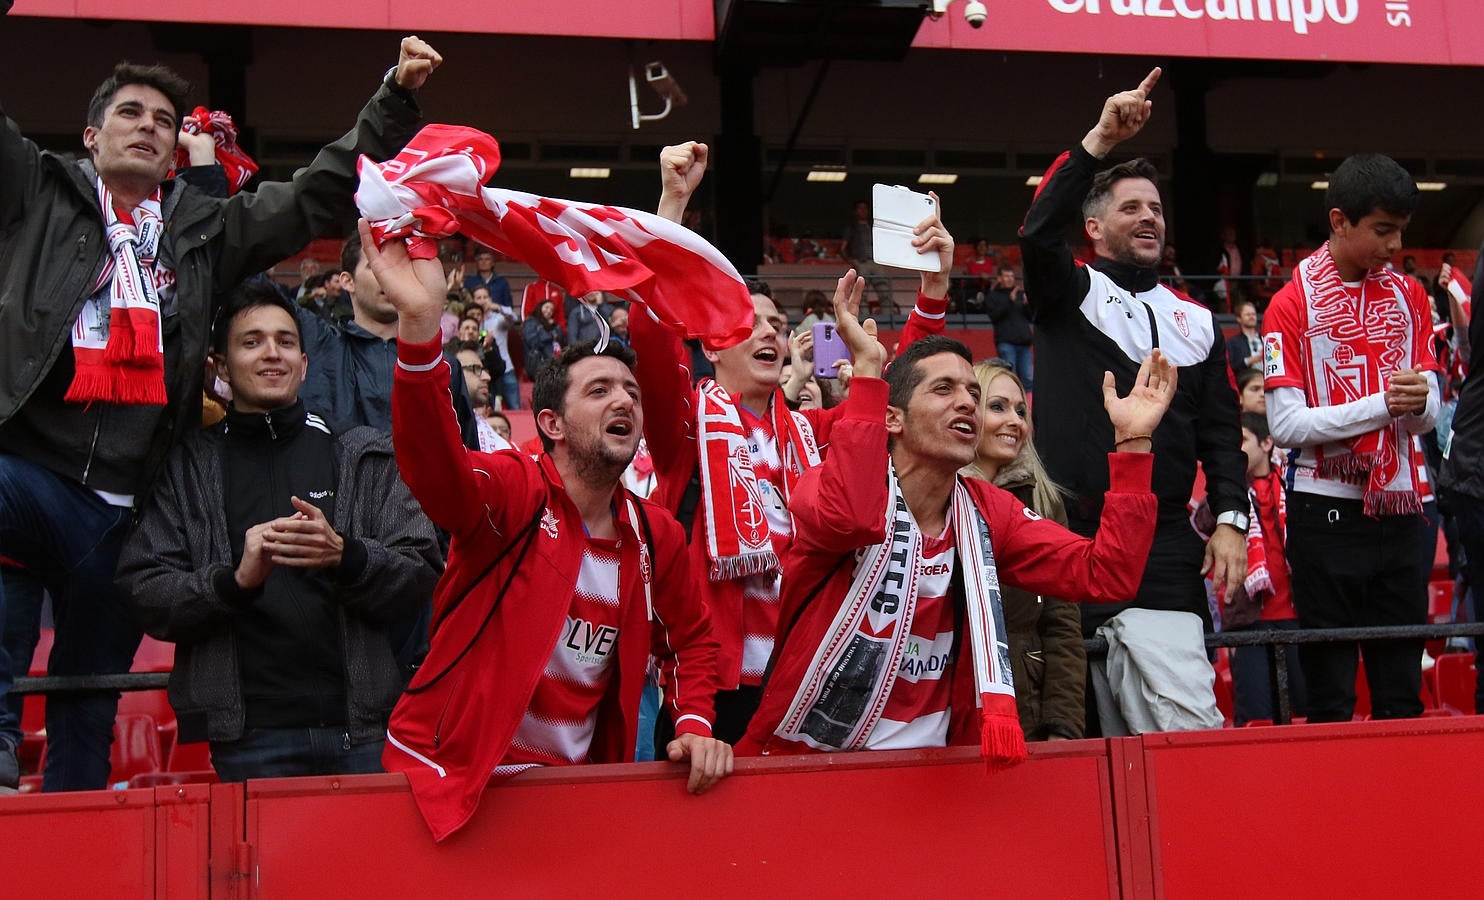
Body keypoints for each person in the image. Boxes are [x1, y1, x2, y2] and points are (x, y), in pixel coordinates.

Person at [0, 36, 439, 792]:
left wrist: (392, 99)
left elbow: (311, 197)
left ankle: (71, 835)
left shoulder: (202, 231)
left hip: (124, 508)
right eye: (129, 113)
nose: (147, 126)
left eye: (164, 121)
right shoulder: (35, 193)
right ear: (89, 136)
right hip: (30, 476)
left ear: (176, 148)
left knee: (89, 702)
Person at [360, 221, 731, 842]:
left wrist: (692, 722)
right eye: (602, 390)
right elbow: (433, 464)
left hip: (571, 797)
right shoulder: (513, 491)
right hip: (456, 787)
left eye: (633, 393)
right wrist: (421, 327)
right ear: (552, 423)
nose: (625, 402)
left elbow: (690, 640)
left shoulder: (655, 534)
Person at [737, 304, 1171, 758]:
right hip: (813, 765)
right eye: (943, 389)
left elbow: (1106, 572)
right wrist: (867, 378)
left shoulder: (988, 512)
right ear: (892, 418)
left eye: (971, 393)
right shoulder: (822, 484)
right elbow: (853, 517)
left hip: (938, 774)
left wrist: (1133, 444)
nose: (967, 402)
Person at [634, 141, 951, 745]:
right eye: (749, 324)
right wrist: (671, 207)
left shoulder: (812, 432)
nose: (770, 333)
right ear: (709, 347)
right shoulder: (683, 429)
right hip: (713, 685)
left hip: (805, 675)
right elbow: (652, 338)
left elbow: (896, 385)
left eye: (777, 325)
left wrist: (932, 289)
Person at [115, 282, 440, 780]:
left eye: (286, 342)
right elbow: (145, 588)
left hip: (362, 732)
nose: (273, 354)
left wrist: (345, 556)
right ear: (219, 368)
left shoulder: (363, 453)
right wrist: (233, 582)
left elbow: (421, 570)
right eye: (252, 342)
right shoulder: (187, 467)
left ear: (304, 365)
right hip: (249, 739)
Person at [1018, 68, 1248, 655]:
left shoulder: (1196, 319)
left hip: (1168, 541)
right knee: (1082, 711)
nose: (1149, 216)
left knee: (1177, 718)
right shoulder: (1068, 292)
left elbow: (1222, 434)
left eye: (1156, 208)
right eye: (1131, 208)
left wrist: (1229, 518)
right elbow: (1039, 232)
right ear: (1092, 228)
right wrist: (1099, 141)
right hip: (1073, 533)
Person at [1262, 153, 1440, 722]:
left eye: (1401, 232)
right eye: (1382, 230)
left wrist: (1416, 404)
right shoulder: (1288, 304)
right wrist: (1382, 405)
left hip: (1402, 511)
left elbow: (1428, 413)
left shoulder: (1411, 297)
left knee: (1401, 696)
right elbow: (1285, 427)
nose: (1393, 246)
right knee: (1332, 697)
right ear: (1339, 221)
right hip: (1324, 513)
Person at [962, 360, 1084, 740]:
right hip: (949, 708)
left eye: (1020, 410)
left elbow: (1063, 623)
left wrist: (1063, 724)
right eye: (998, 406)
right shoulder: (936, 495)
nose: (1015, 420)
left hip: (1026, 711)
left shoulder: (1045, 502)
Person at [1223, 412, 1307, 726]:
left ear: (1267, 442)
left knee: (1311, 718)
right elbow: (1202, 529)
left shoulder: (1296, 485)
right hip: (1250, 625)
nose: (1236, 448)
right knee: (1256, 721)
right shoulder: (1224, 498)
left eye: (1242, 440)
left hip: (1301, 620)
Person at [986, 266, 1034, 392]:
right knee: (1009, 377)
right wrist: (1009, 301)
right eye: (1006, 276)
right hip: (1006, 343)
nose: (1010, 279)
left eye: (1012, 276)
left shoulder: (1020, 294)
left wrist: (1027, 305)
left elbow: (1031, 318)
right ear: (999, 279)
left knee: (1028, 379)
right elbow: (994, 316)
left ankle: (1029, 408)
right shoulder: (993, 296)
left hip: (1024, 343)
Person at [842, 199, 895, 314]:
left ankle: (888, 318)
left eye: (865, 208)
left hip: (876, 262)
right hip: (861, 262)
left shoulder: (874, 227)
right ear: (855, 211)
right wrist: (853, 261)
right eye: (860, 208)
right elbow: (843, 248)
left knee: (884, 291)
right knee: (862, 293)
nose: (863, 211)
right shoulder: (852, 228)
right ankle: (864, 320)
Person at [521, 298, 566, 381]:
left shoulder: (553, 325)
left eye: (551, 310)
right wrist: (550, 334)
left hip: (554, 364)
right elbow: (533, 342)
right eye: (546, 307)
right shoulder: (531, 322)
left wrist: (553, 327)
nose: (549, 311)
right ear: (540, 307)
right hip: (539, 364)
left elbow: (560, 338)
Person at [461, 246, 513, 310]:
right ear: (476, 263)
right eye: (480, 259)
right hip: (476, 316)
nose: (484, 262)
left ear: (493, 263)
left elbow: (509, 307)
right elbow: (465, 304)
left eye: (487, 259)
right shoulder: (469, 281)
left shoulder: (502, 282)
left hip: (498, 317)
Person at [1227, 298, 1264, 375]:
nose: (1252, 317)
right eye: (1248, 314)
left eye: (1253, 314)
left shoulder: (1265, 338)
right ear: (1239, 319)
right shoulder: (1233, 342)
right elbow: (1233, 366)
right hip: (1246, 379)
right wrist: (1253, 359)